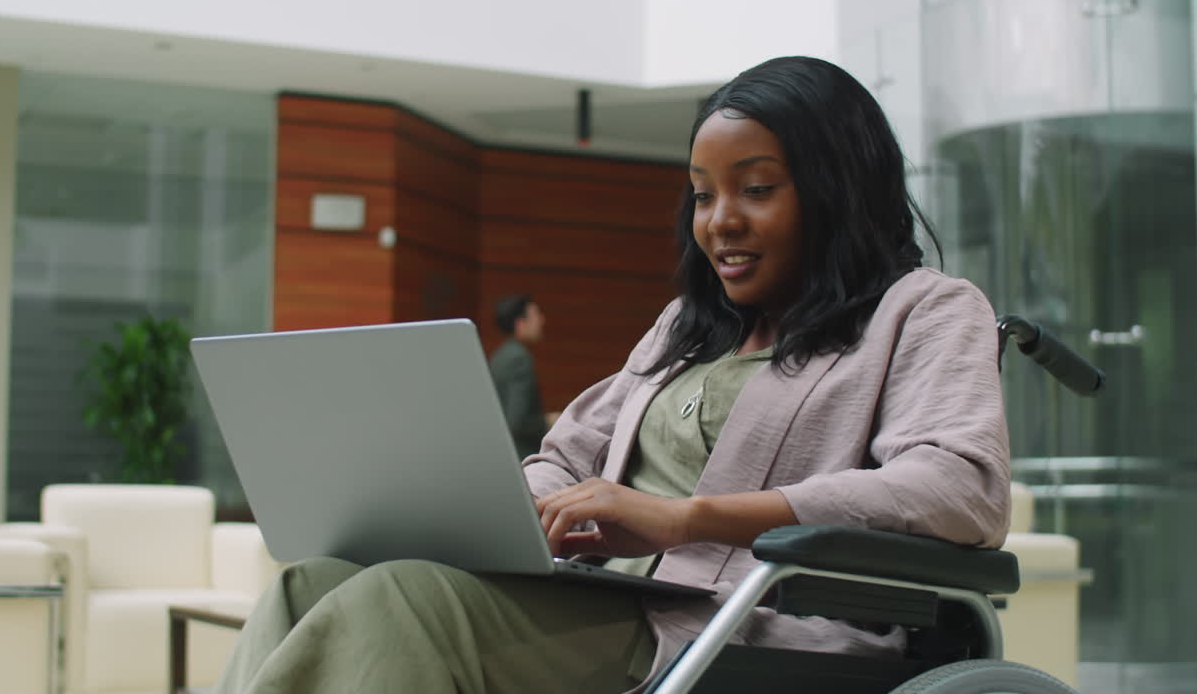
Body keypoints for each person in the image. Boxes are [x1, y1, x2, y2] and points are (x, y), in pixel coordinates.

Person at [213, 56, 1010, 694]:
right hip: (606, 601)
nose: (719, 220)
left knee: (405, 606)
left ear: (837, 192)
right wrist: (515, 506)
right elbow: (566, 454)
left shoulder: (925, 311)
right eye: (702, 195)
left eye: (756, 189)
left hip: (746, 626)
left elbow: (959, 488)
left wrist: (688, 518)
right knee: (309, 582)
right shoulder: (688, 328)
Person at [488, 295, 551, 459]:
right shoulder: (519, 358)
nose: (542, 320)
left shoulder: (500, 355)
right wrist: (548, 421)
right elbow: (517, 421)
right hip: (521, 454)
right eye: (536, 315)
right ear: (520, 324)